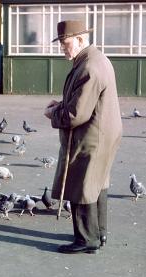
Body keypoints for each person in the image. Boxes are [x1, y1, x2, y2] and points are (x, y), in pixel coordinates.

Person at [44, 20, 122, 254]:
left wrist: (52, 112)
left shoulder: (89, 67)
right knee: (98, 182)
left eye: (65, 43)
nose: (62, 48)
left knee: (83, 183)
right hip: (103, 131)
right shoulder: (96, 59)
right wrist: (63, 105)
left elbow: (75, 115)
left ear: (79, 39)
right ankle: (99, 233)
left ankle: (86, 239)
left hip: (92, 135)